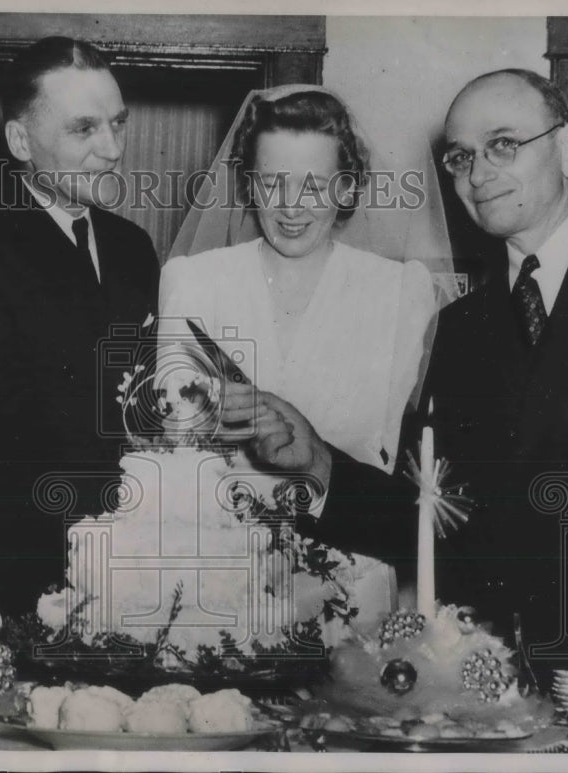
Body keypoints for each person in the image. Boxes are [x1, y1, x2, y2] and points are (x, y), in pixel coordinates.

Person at [160, 86, 452, 580]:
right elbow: (172, 446)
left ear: (347, 187)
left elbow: (408, 468)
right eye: (273, 182)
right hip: (221, 572)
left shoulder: (403, 292)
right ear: (249, 183)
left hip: (355, 567)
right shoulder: (194, 281)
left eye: (314, 185)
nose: (291, 207)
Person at [0, 37, 159, 614]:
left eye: (118, 124)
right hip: (6, 577)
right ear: (21, 141)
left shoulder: (133, 249)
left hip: (126, 567)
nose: (112, 149)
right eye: (84, 129)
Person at [426, 69, 568, 680]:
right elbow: (449, 513)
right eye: (461, 156)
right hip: (500, 677)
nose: (478, 173)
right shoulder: (459, 327)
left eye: (503, 144)